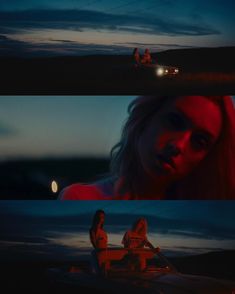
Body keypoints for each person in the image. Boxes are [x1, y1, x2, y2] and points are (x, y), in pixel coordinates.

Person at [59, 96, 235, 200]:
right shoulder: (80, 197)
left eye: (200, 141)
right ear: (146, 119)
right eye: (174, 122)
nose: (178, 145)